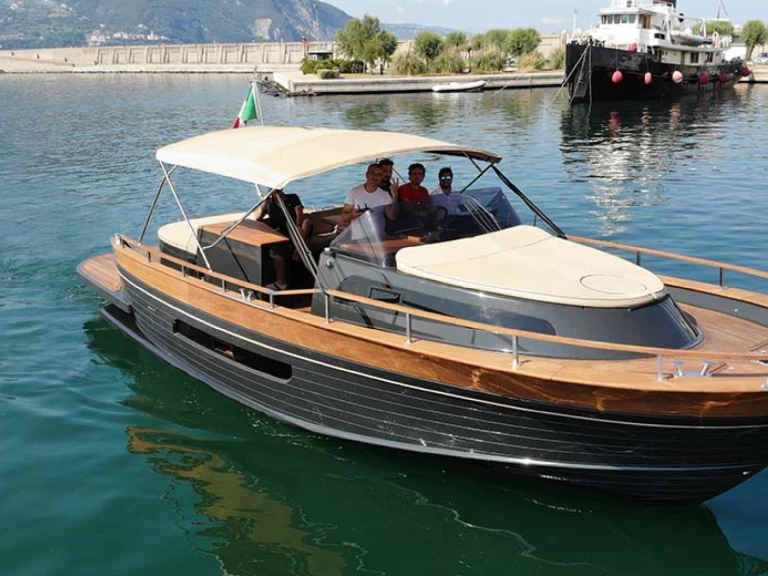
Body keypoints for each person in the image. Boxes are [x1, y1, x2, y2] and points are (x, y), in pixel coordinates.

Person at [255, 189, 312, 291]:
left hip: (296, 230)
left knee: (306, 223)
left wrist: (297, 226)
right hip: (282, 234)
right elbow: (257, 218)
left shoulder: (292, 197)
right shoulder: (270, 205)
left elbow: (299, 212)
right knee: (275, 251)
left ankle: (297, 250)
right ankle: (281, 281)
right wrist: (265, 203)